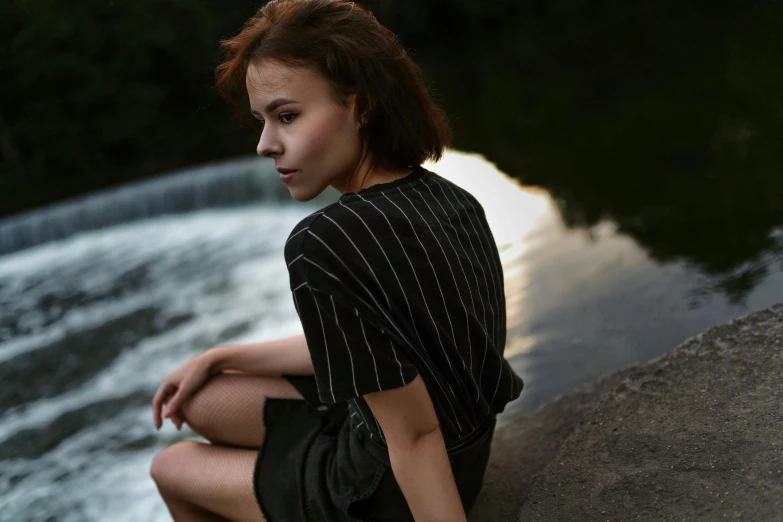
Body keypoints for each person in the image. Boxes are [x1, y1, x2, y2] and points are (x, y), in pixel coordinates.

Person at [149, 0, 524, 520]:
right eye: (262, 121)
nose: (264, 145)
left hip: (387, 487)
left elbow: (413, 436)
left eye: (286, 116)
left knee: (172, 467)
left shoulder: (324, 241)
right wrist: (219, 356)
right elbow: (384, 344)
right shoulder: (451, 198)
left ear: (361, 104)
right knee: (200, 398)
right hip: (465, 453)